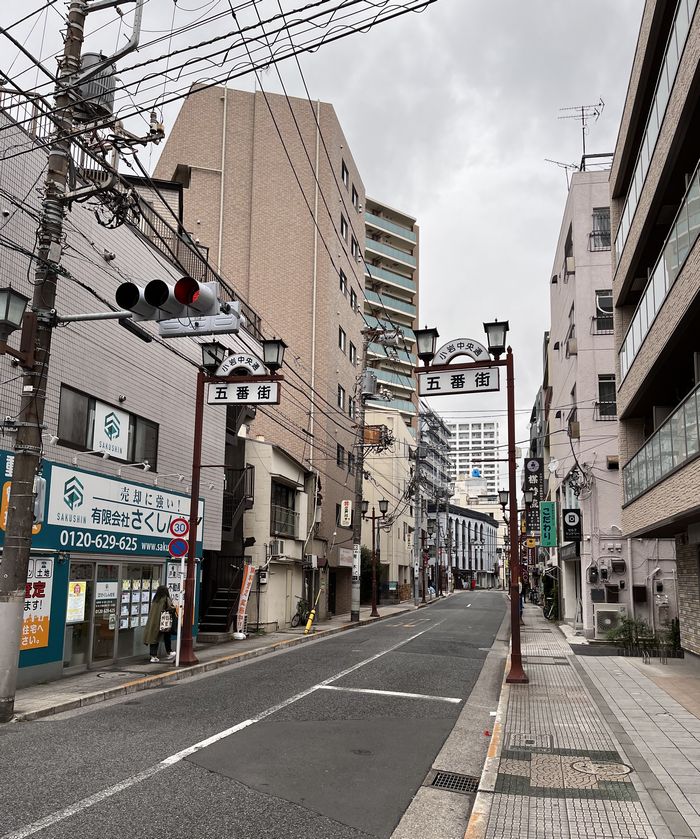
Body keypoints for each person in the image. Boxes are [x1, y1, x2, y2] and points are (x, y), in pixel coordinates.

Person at [144, 585, 176, 663]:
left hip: (153, 622)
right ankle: (169, 652)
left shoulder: (155, 599)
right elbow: (171, 608)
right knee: (167, 635)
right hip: (163, 622)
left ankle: (153, 656)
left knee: (154, 638)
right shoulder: (165, 599)